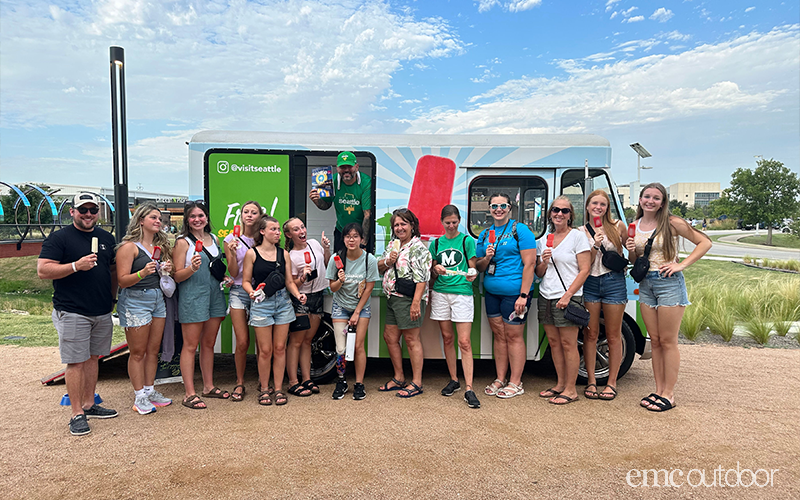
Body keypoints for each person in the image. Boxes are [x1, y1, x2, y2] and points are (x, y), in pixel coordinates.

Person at [37, 193, 119, 435]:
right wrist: (75, 266)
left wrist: (112, 298)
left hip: (101, 310)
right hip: (72, 310)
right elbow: (43, 270)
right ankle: (76, 413)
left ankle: (89, 403)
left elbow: (112, 270)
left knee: (94, 358)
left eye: (93, 210)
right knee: (75, 361)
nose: (88, 214)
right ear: (72, 212)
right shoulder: (60, 238)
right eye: (83, 209)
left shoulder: (105, 237)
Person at [626, 183, 711, 412]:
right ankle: (658, 389)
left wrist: (681, 265)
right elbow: (636, 261)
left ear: (663, 202)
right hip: (646, 285)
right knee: (655, 341)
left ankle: (669, 394)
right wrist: (632, 249)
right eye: (646, 196)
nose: (650, 201)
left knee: (668, 341)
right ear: (640, 199)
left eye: (656, 198)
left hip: (668, 284)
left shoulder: (672, 223)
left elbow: (704, 242)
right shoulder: (634, 225)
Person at [475, 194, 537, 399]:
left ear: (510, 208)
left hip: (515, 294)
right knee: (499, 336)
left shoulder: (520, 230)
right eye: (494, 206)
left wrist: (523, 295)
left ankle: (516, 382)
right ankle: (500, 378)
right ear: (489, 209)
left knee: (513, 336)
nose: (498, 209)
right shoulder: (485, 234)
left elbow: (530, 264)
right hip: (492, 292)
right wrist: (487, 257)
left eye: (503, 206)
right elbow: (480, 267)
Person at [241, 216, 307, 406]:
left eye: (279, 229)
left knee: (280, 348)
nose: (277, 232)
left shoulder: (283, 254)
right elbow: (246, 280)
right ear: (262, 231)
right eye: (273, 229)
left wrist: (298, 295)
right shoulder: (252, 254)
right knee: (265, 350)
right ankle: (264, 389)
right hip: (262, 303)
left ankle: (278, 389)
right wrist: (251, 292)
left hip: (283, 303)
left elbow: (288, 282)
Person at [115, 203, 174, 415]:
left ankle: (150, 391)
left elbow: (161, 275)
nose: (158, 221)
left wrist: (165, 270)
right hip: (135, 300)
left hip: (157, 298)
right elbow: (122, 281)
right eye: (153, 217)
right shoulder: (128, 247)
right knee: (138, 352)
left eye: (160, 218)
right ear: (141, 220)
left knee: (153, 349)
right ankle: (139, 396)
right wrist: (142, 273)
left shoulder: (159, 247)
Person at [535, 196, 592, 405]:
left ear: (570, 215)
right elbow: (540, 273)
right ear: (550, 213)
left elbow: (585, 269)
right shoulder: (544, 239)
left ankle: (571, 389)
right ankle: (559, 384)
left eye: (564, 211)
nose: (559, 214)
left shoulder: (577, 237)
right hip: (546, 295)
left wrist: (568, 295)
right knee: (554, 343)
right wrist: (544, 261)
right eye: (556, 210)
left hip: (567, 295)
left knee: (569, 344)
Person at [173, 200, 229, 409]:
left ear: (207, 217)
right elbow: (177, 276)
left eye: (201, 215)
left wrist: (224, 277)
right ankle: (189, 393)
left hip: (215, 295)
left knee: (208, 343)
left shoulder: (214, 239)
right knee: (190, 345)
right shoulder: (182, 242)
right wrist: (191, 269)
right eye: (193, 216)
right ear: (187, 220)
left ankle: (208, 386)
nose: (197, 220)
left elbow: (216, 268)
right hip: (192, 296)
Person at [578, 190, 629, 401]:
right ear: (588, 206)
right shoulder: (580, 232)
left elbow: (631, 252)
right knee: (590, 333)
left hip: (614, 282)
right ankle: (591, 380)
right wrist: (596, 244)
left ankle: (611, 382)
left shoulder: (617, 226)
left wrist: (634, 250)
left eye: (603, 204)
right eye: (595, 204)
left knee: (613, 334)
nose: (598, 207)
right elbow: (585, 264)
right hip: (590, 282)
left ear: (607, 208)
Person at [429, 205, 481, 409]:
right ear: (441, 222)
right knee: (447, 338)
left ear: (459, 220)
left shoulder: (467, 240)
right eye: (447, 222)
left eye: (454, 222)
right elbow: (432, 272)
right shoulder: (435, 243)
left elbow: (473, 267)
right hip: (441, 293)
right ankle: (454, 379)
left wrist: (472, 273)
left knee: (465, 342)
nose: (451, 225)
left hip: (462, 293)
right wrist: (436, 269)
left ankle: (469, 388)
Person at [377, 209, 432, 398]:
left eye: (403, 224)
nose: (399, 228)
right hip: (392, 297)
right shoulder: (393, 244)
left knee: (411, 339)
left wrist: (416, 303)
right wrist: (387, 260)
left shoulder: (419, 248)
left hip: (408, 299)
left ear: (412, 226)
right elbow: (379, 267)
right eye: (396, 225)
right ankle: (399, 377)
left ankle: (417, 382)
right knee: (390, 337)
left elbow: (422, 279)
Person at [325, 223, 380, 400]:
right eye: (348, 236)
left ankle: (359, 384)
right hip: (340, 306)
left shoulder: (369, 260)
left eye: (355, 236)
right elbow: (332, 289)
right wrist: (340, 281)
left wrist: (357, 312)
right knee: (340, 348)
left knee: (358, 346)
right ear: (343, 239)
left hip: (361, 308)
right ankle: (341, 381)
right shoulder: (336, 258)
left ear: (362, 239)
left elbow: (369, 288)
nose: (351, 239)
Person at [284, 217, 331, 397]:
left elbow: (326, 263)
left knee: (307, 341)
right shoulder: (290, 255)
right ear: (289, 234)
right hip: (301, 299)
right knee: (296, 341)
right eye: (296, 229)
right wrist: (303, 277)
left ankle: (306, 379)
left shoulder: (313, 244)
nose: (301, 231)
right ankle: (293, 382)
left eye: (302, 227)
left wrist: (326, 248)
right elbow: (291, 283)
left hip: (319, 295)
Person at [223, 200, 263, 402]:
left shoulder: (263, 237)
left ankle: (263, 381)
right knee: (243, 340)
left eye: (253, 212)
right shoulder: (230, 238)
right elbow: (233, 272)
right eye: (246, 211)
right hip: (239, 291)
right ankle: (240, 382)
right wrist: (230, 251)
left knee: (262, 340)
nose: (249, 215)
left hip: (260, 291)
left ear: (260, 215)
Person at [308, 151, 372, 253]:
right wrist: (317, 200)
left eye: (349, 166)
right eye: (342, 167)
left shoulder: (366, 182)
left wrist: (363, 242)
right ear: (337, 168)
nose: (346, 170)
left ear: (357, 167)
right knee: (339, 263)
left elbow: (367, 215)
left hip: (361, 232)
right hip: (342, 231)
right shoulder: (330, 181)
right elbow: (326, 206)